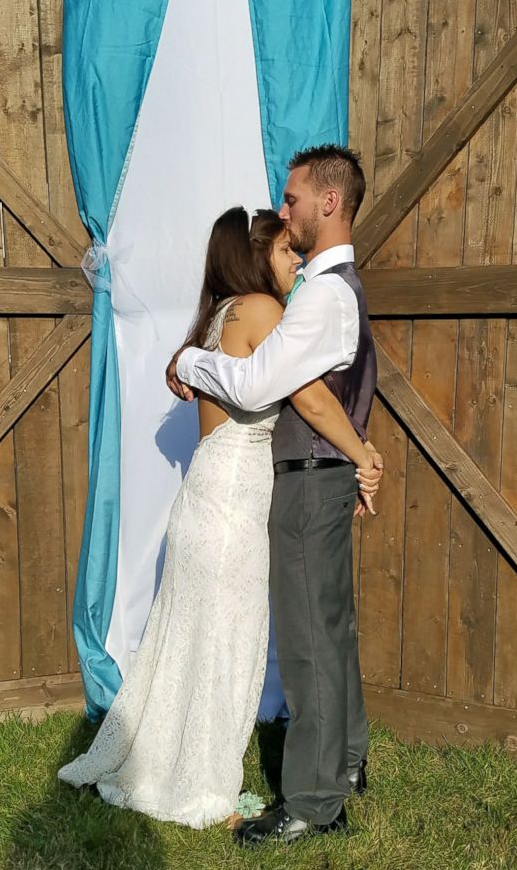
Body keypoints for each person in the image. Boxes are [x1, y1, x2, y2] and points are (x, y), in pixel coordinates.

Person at [58, 206, 381, 829]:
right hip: (233, 504)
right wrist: (362, 451)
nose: (296, 263)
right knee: (225, 646)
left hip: (206, 499)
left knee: (189, 640)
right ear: (255, 256)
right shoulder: (262, 312)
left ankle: (160, 760)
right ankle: (199, 785)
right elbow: (311, 397)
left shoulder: (215, 319)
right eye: (287, 253)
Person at [168, 145, 380, 845]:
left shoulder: (321, 296)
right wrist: (362, 458)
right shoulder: (329, 290)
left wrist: (192, 359)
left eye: (291, 200)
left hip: (309, 481)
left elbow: (268, 388)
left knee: (309, 640)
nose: (283, 214)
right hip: (323, 475)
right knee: (332, 629)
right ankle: (345, 764)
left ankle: (313, 801)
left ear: (329, 202)